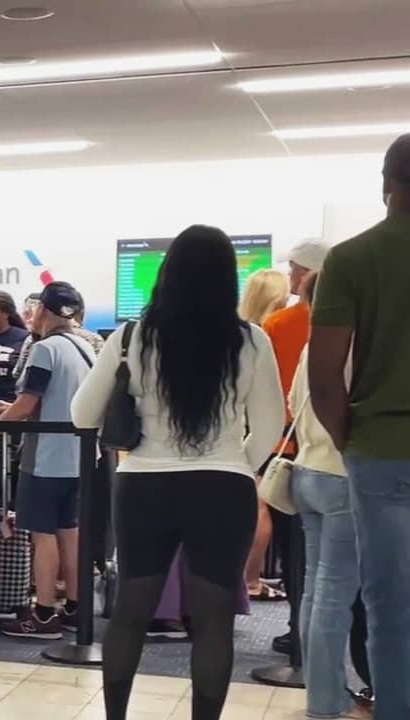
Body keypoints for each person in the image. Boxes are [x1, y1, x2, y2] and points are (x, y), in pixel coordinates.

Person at [72, 225, 284, 720]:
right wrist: (234, 465)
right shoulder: (251, 341)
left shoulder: (131, 336)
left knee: (130, 613)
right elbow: (271, 425)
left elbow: (84, 415)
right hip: (223, 488)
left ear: (167, 275)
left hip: (145, 484)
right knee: (213, 624)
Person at [310, 134, 410, 720]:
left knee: (389, 607)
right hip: (376, 447)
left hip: (379, 449)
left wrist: (352, 439)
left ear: (386, 186)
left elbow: (324, 376)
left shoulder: (351, 258)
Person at [0, 281, 95, 639]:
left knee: (42, 534)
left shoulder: (45, 349)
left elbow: (27, 403)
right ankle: (75, 608)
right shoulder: (84, 348)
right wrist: (15, 408)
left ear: (44, 312)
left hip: (47, 458)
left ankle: (44, 613)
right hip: (79, 456)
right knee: (69, 530)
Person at [289, 271, 372, 719]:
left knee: (316, 592)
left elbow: (292, 401)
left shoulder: (310, 347)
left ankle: (323, 695)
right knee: (335, 594)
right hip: (342, 474)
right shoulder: (356, 346)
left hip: (306, 472)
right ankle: (326, 701)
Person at [258, 239, 331, 653]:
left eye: (293, 270)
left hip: (284, 446)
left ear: (306, 275)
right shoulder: (352, 322)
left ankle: (296, 626)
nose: (289, 277)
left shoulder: (277, 326)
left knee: (293, 546)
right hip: (331, 451)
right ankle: (316, 637)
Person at [239, 267, 293, 602]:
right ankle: (250, 581)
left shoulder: (241, 335)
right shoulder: (270, 334)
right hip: (268, 436)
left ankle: (247, 580)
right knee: (260, 509)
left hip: (239, 435)